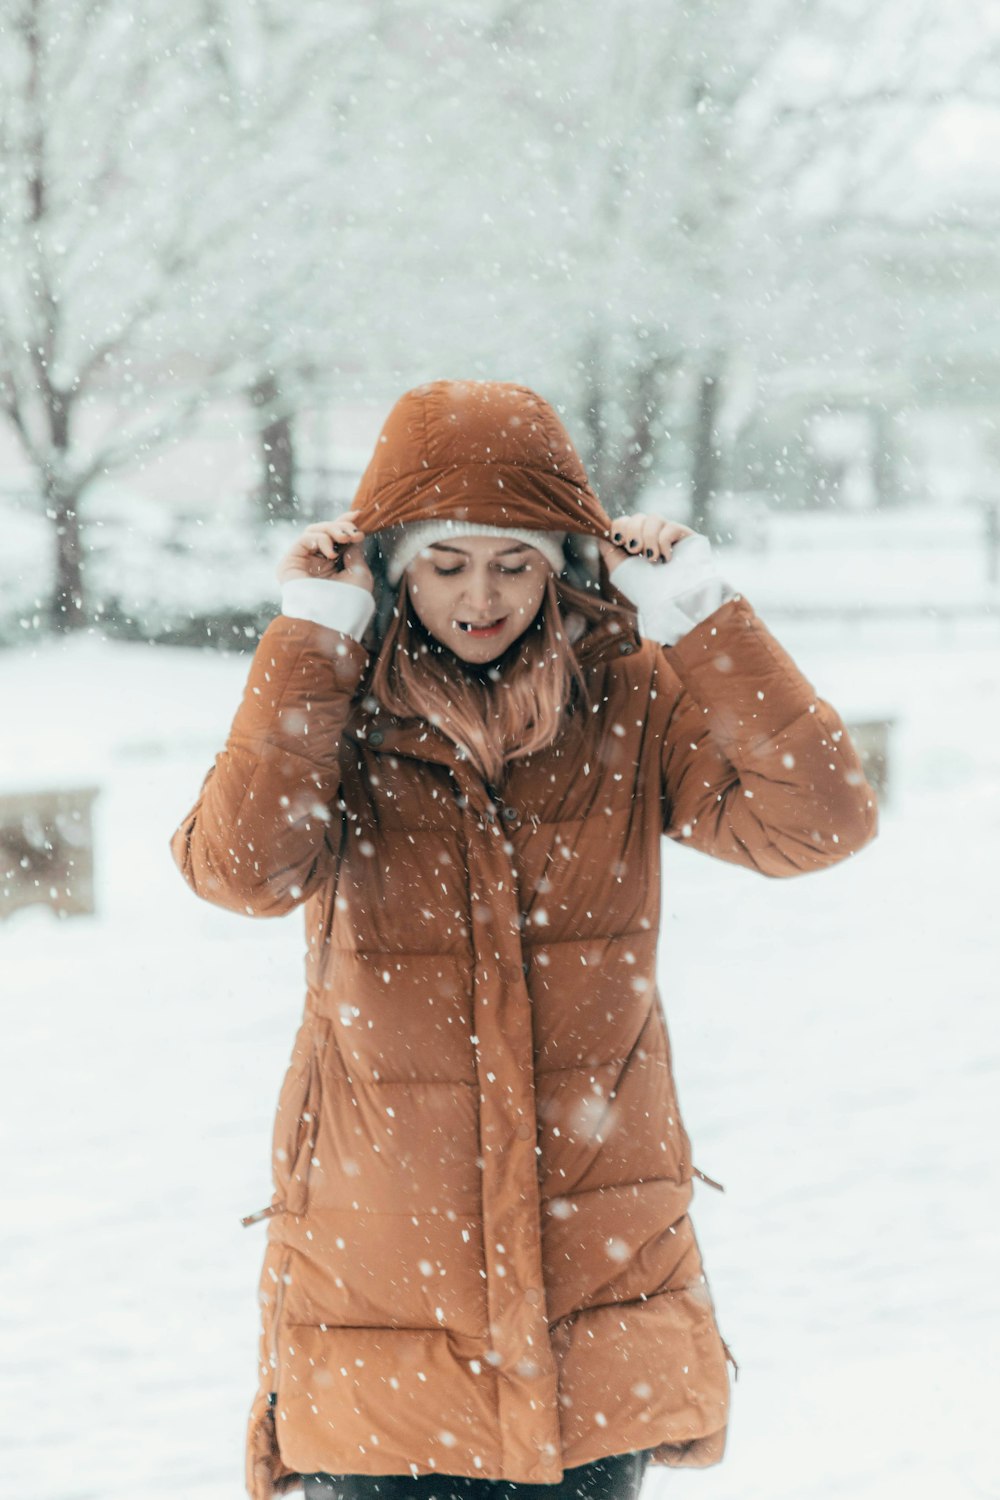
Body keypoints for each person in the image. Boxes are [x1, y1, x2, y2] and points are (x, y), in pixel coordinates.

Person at [169, 378, 879, 1500]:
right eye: (445, 564)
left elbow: (819, 821)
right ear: (392, 567)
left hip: (595, 1282)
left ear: (564, 566)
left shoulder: (628, 702)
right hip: (385, 1297)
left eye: (514, 563)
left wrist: (700, 615)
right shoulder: (337, 704)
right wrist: (311, 638)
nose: (480, 598)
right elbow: (241, 871)